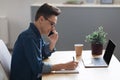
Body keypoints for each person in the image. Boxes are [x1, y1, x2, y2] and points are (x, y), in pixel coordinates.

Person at [10, 3, 78, 80]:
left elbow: (42, 52)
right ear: (41, 19)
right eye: (52, 24)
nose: (53, 28)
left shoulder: (35, 35)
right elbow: (38, 67)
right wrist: (64, 66)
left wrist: (52, 42)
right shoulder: (28, 38)